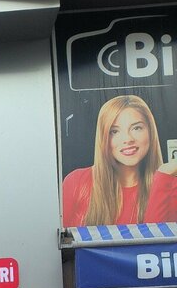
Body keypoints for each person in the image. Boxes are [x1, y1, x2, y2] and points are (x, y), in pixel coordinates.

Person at [62, 95, 177, 227]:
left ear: (151, 132)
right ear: (103, 138)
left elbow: (157, 238)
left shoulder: (169, 186)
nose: (127, 139)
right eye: (114, 131)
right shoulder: (77, 182)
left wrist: (163, 177)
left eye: (136, 128)